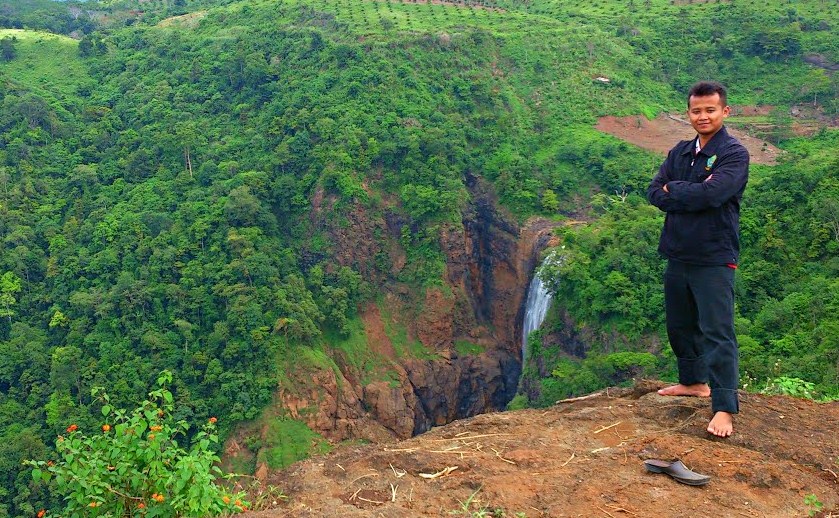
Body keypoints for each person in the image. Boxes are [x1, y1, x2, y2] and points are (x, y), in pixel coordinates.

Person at [647, 81, 749, 437]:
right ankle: (693, 382)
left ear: (725, 111)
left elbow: (713, 194)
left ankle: (724, 407)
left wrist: (674, 190)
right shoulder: (680, 152)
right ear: (688, 113)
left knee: (717, 331)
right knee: (680, 324)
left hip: (714, 256)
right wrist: (688, 192)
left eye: (710, 110)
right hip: (678, 253)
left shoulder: (734, 154)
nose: (703, 116)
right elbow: (653, 192)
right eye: (696, 111)